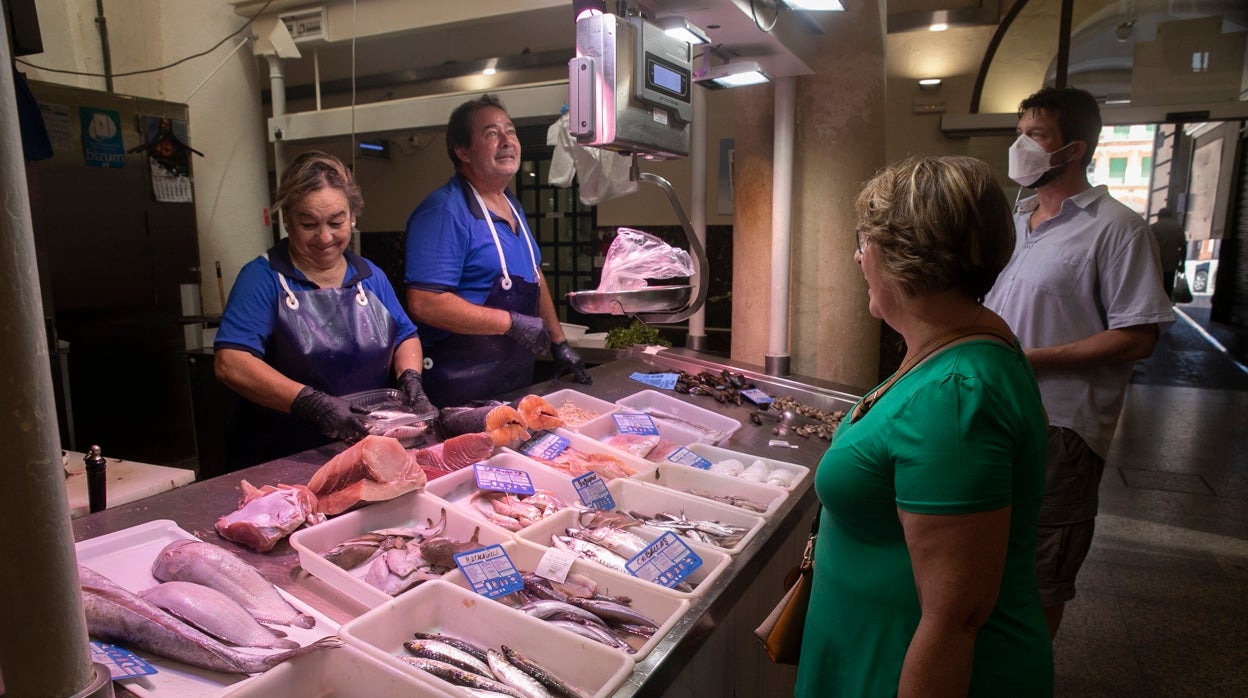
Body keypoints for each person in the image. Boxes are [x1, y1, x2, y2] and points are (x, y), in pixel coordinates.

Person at [796, 156, 1053, 697]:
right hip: (872, 651)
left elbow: (955, 616)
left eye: (865, 242)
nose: (858, 257)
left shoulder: (956, 397)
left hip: (907, 672)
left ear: (900, 257)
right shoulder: (953, 344)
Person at [984, 86, 1175, 637]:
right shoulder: (1014, 222)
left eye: (1037, 135)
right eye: (1019, 133)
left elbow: (1138, 336)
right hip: (993, 410)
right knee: (985, 551)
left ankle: (1029, 670)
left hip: (1060, 425)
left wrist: (1034, 360)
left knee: (1042, 570)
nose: (1022, 146)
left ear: (1075, 149)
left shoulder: (1117, 228)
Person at [214, 151, 434, 469]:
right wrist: (311, 403)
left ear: (353, 216)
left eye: (336, 222)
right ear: (287, 219)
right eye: (308, 224)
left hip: (362, 449)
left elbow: (405, 336)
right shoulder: (262, 278)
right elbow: (231, 363)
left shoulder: (370, 276)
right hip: (283, 459)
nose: (325, 237)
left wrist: (411, 378)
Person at [403, 94, 590, 407]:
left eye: (511, 131)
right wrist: (512, 323)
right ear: (462, 151)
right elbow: (425, 303)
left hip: (511, 382)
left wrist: (558, 342)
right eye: (491, 133)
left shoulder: (512, 206)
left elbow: (534, 274)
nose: (507, 141)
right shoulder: (443, 211)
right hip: (457, 390)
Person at [1151, 207, 1187, 297]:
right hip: (1171, 264)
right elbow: (1183, 247)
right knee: (1167, 290)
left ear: (1159, 216)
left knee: (1154, 290)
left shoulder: (1153, 228)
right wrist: (1182, 264)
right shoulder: (1178, 228)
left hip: (1155, 264)